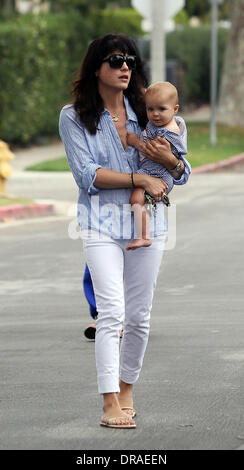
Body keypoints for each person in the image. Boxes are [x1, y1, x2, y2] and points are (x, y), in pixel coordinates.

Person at [59, 33, 191, 429]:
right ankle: (109, 402)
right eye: (116, 60)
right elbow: (88, 176)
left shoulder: (148, 111)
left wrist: (169, 161)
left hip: (149, 221)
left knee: (140, 316)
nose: (124, 67)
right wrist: (139, 177)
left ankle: (127, 388)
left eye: (130, 60)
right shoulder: (74, 116)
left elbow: (182, 174)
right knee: (112, 311)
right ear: (96, 66)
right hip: (100, 223)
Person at [126, 81, 188, 250]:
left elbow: (180, 152)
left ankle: (144, 236)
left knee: (136, 199)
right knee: (138, 199)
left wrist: (138, 142)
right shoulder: (155, 125)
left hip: (159, 175)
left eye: (161, 109)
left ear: (174, 109)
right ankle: (144, 235)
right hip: (148, 171)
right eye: (150, 109)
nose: (155, 114)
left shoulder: (170, 130)